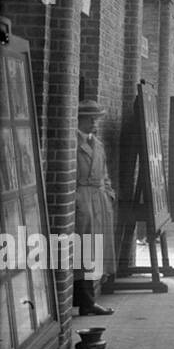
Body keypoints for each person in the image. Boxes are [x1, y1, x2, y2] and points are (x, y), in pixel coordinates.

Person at [74, 99, 116, 317]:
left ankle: (89, 301)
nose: (94, 123)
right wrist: (75, 198)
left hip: (98, 200)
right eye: (90, 119)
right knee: (82, 251)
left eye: (96, 119)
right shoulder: (71, 143)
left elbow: (105, 173)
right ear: (79, 119)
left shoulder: (97, 144)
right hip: (81, 200)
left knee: (95, 250)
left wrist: (108, 194)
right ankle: (85, 301)